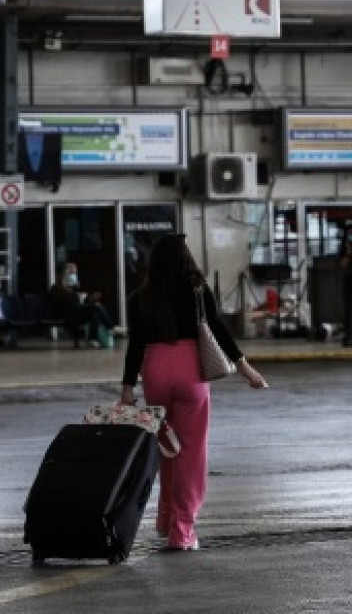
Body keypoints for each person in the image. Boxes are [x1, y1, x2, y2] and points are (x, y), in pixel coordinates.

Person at [119, 236, 267, 551]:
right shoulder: (197, 291)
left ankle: (165, 519)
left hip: (155, 372)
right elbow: (217, 329)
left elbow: (135, 346)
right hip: (191, 374)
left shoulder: (142, 297)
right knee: (191, 454)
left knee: (167, 449)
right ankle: (182, 531)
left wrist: (127, 388)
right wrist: (246, 369)